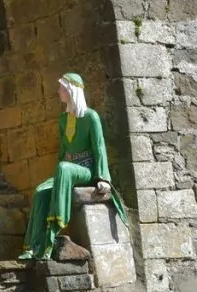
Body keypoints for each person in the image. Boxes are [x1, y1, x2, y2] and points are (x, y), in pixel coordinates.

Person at [17, 73, 127, 261]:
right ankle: (34, 246)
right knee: (40, 190)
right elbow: (62, 150)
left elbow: (99, 148)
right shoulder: (62, 119)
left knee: (64, 168)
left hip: (87, 170)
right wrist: (58, 179)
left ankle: (52, 235)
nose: (58, 91)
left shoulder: (90, 117)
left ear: (72, 90)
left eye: (62, 88)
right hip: (67, 170)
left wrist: (103, 178)